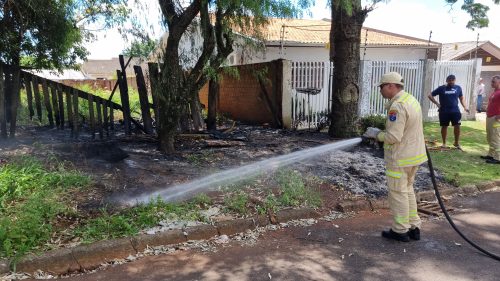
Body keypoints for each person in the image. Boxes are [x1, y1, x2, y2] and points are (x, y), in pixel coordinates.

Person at [363, 72, 427, 242]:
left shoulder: (397, 106)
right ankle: (414, 227)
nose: (380, 90)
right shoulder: (411, 100)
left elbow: (393, 137)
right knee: (408, 191)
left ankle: (400, 230)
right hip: (414, 156)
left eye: (381, 87)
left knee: (398, 193)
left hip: (400, 158)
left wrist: (376, 134)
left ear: (391, 85)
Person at [427, 75, 470, 150]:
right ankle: (444, 143)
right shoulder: (441, 88)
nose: (451, 82)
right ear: (447, 81)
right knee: (444, 126)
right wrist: (437, 103)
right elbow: (430, 95)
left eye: (452, 80)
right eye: (449, 80)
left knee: (457, 126)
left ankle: (456, 143)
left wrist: (465, 107)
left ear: (455, 80)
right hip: (444, 111)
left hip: (455, 111)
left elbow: (461, 98)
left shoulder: (458, 88)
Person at [481, 75, 500, 164]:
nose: (491, 83)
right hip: (490, 116)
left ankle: (497, 158)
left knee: (495, 137)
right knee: (490, 137)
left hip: (495, 118)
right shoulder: (494, 92)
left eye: (493, 82)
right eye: (492, 81)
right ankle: (491, 155)